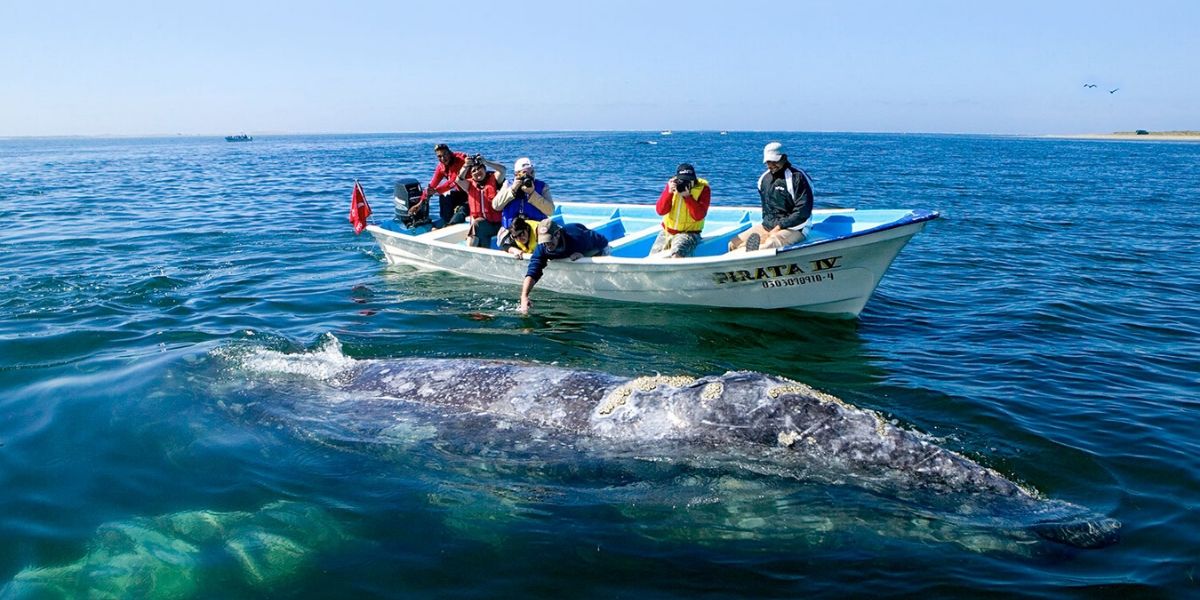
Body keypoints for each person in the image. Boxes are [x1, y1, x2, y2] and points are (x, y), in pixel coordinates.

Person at [728, 142, 814, 252]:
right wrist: (769, 229)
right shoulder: (763, 179)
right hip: (768, 226)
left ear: (784, 158)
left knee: (769, 245)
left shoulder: (798, 178)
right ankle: (740, 263)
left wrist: (779, 227)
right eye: (769, 161)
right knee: (733, 244)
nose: (772, 164)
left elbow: (803, 211)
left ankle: (753, 256)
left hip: (796, 228)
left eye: (775, 161)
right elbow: (767, 208)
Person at [518, 219, 610, 314]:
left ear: (557, 234)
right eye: (544, 241)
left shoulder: (577, 237)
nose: (547, 245)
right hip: (574, 249)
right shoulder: (542, 247)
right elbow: (533, 271)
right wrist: (524, 297)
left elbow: (602, 243)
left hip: (596, 248)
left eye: (549, 240)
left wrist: (584, 255)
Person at [493, 157, 554, 253]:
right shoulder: (508, 185)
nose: (530, 176)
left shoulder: (542, 187)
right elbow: (496, 206)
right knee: (503, 238)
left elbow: (550, 211)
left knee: (550, 240)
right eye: (525, 173)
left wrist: (532, 194)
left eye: (532, 173)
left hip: (535, 230)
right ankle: (514, 250)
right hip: (513, 231)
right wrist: (512, 190)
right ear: (516, 174)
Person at [651, 163, 711, 258]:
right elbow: (660, 211)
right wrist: (669, 192)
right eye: (682, 181)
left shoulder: (703, 189)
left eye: (688, 181)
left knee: (677, 253)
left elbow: (699, 216)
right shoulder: (673, 185)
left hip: (690, 233)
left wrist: (687, 197)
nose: (685, 184)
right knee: (653, 256)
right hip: (667, 231)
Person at [454, 154, 506, 247]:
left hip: (497, 225)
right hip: (482, 227)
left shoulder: (495, 179)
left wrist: (486, 162)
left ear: (485, 169)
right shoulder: (469, 185)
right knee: (479, 229)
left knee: (477, 224)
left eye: (479, 169)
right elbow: (458, 180)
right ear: (471, 175)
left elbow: (503, 170)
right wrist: (466, 165)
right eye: (473, 171)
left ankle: (469, 251)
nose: (477, 172)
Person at [412, 143, 469, 227]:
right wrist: (420, 203)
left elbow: (453, 182)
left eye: (445, 154)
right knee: (444, 197)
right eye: (439, 156)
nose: (443, 158)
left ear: (449, 152)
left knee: (462, 209)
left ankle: (451, 224)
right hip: (460, 193)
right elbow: (431, 185)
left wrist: (436, 190)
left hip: (471, 193)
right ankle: (446, 221)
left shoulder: (460, 159)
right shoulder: (441, 167)